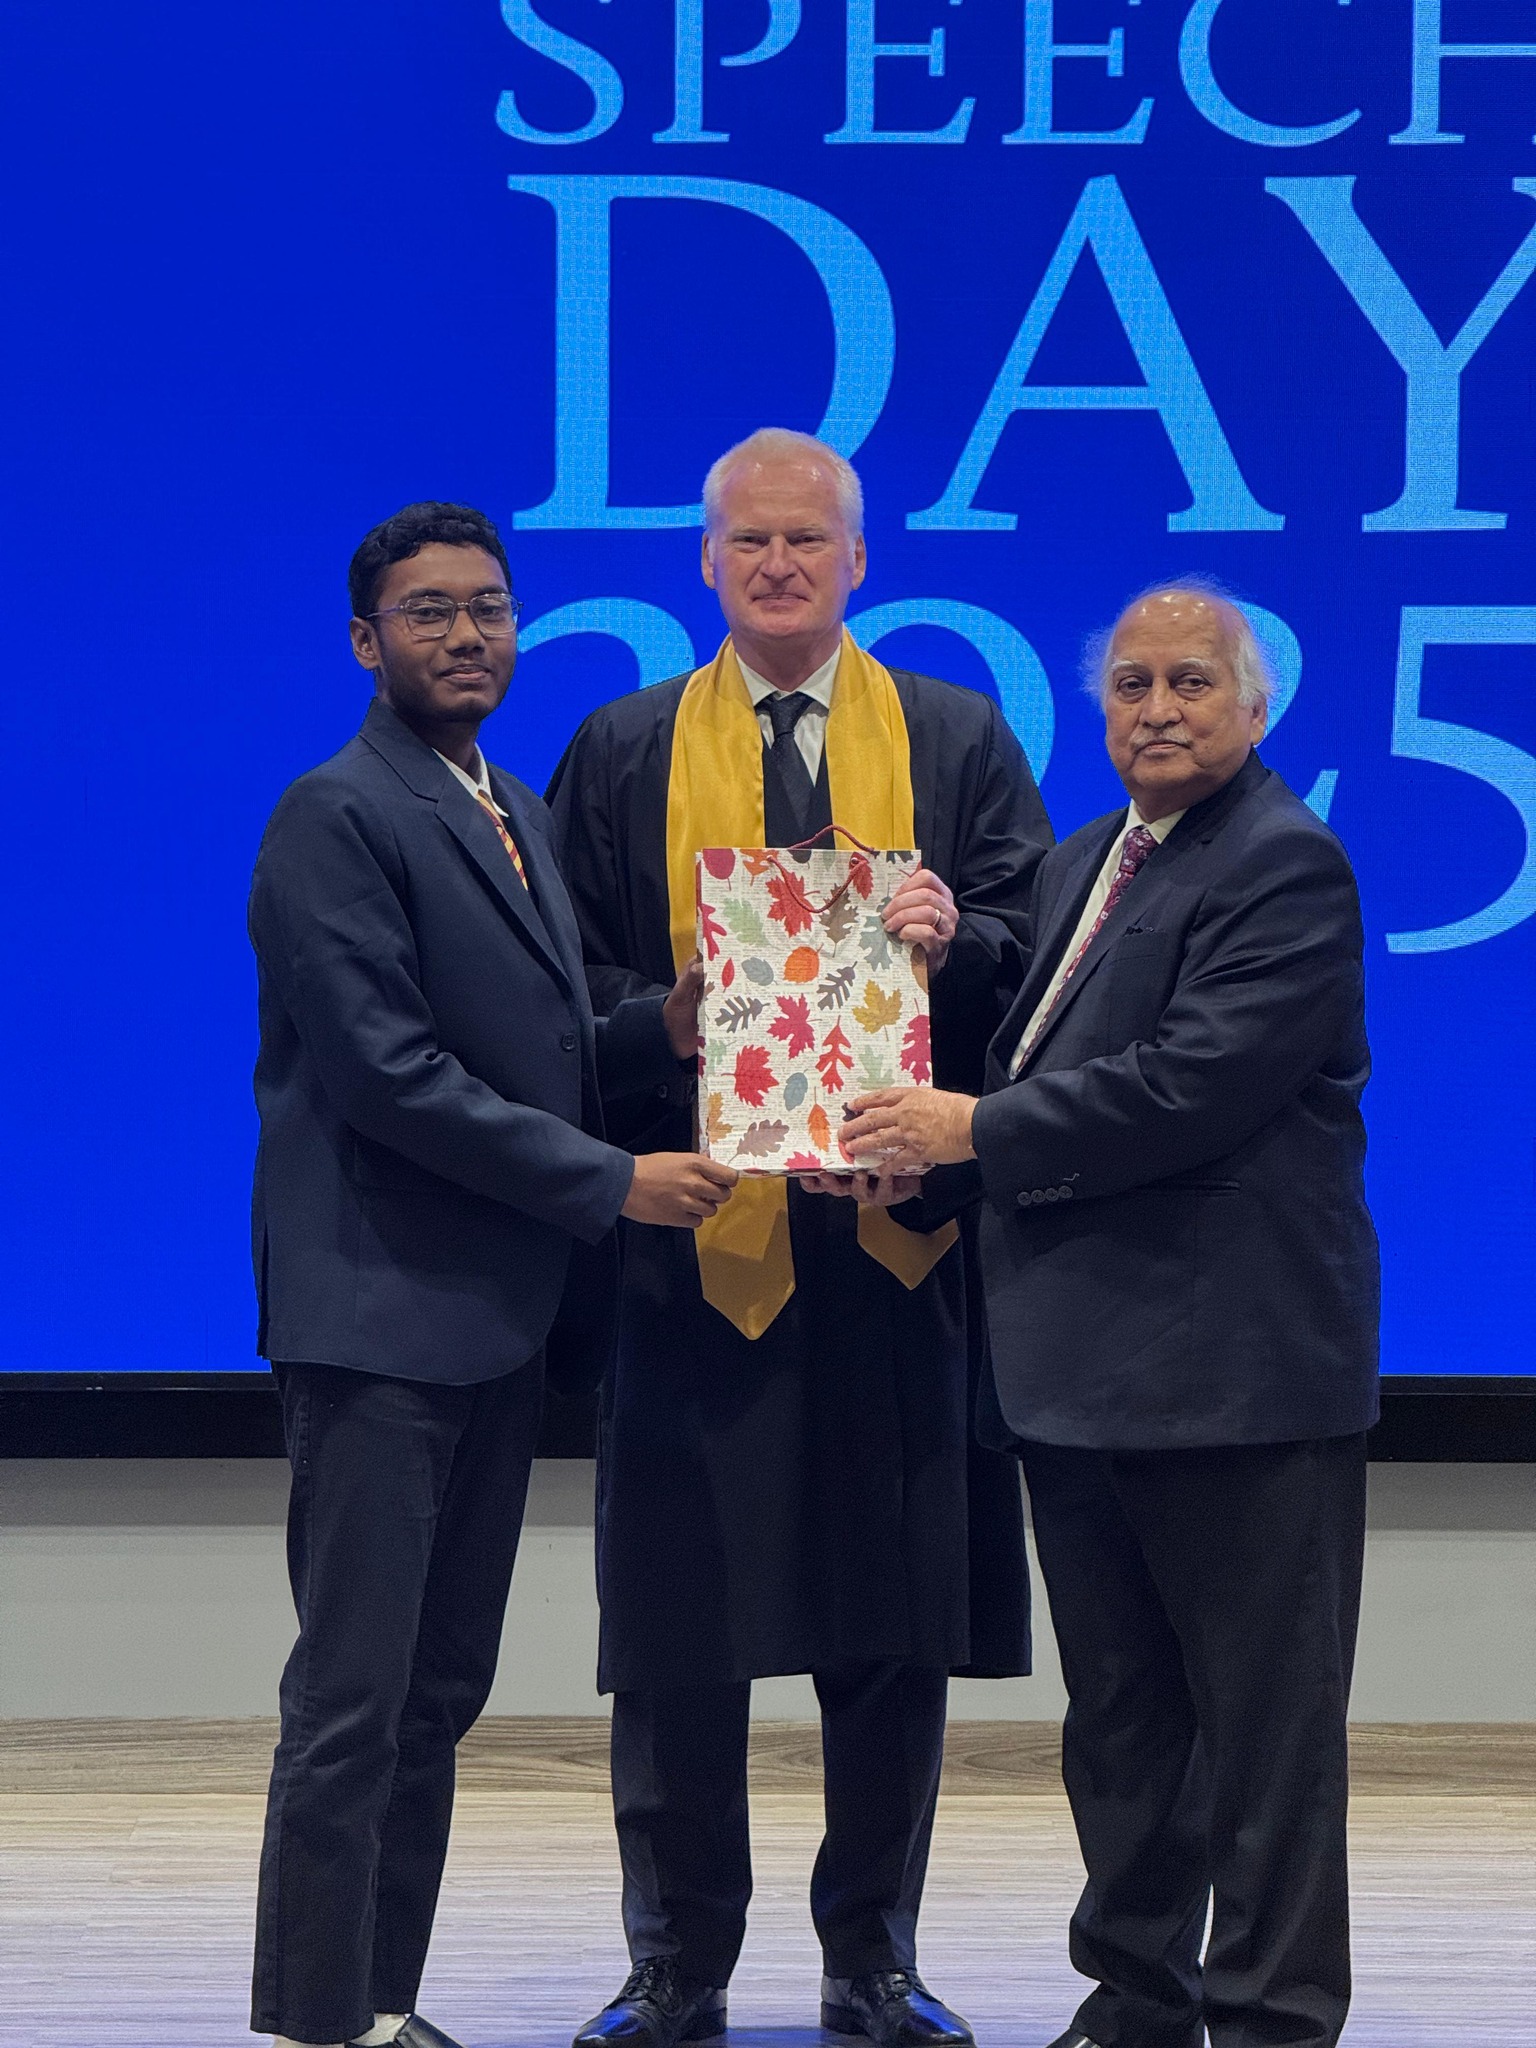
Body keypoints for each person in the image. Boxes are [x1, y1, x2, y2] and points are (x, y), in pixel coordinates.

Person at [546, 428, 1053, 2048]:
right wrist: (664, 1018)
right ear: (706, 561)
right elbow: (556, 997)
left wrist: (957, 935)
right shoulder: (623, 746)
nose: (777, 564)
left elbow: (1046, 966)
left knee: (889, 1630)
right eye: (749, 541)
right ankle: (677, 1962)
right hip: (700, 1245)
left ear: (858, 561)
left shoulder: (962, 739)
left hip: (897, 1254)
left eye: (807, 541)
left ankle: (872, 1960)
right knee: (682, 1634)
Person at [839, 583, 1380, 2048]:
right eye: (1132, 684)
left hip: (1241, 1385)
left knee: (1264, 1745)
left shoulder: (1286, 866)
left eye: (1192, 683)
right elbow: (1025, 1090)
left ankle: (1270, 2018)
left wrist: (959, 1139)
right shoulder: (1095, 859)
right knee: (1125, 1730)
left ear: (1254, 707)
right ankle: (1137, 1996)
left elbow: (1184, 1089)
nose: (1158, 709)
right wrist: (910, 1177)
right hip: (1078, 1378)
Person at [247, 502, 736, 2048]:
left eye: (489, 607)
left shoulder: (500, 800)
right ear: (364, 641)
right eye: (429, 612)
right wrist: (613, 1182)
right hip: (380, 1323)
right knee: (353, 1705)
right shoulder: (336, 814)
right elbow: (391, 1075)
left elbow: (522, 1049)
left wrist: (655, 1028)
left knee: (436, 1692)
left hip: (486, 1325)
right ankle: (319, 2021)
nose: (465, 635)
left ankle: (381, 2007)